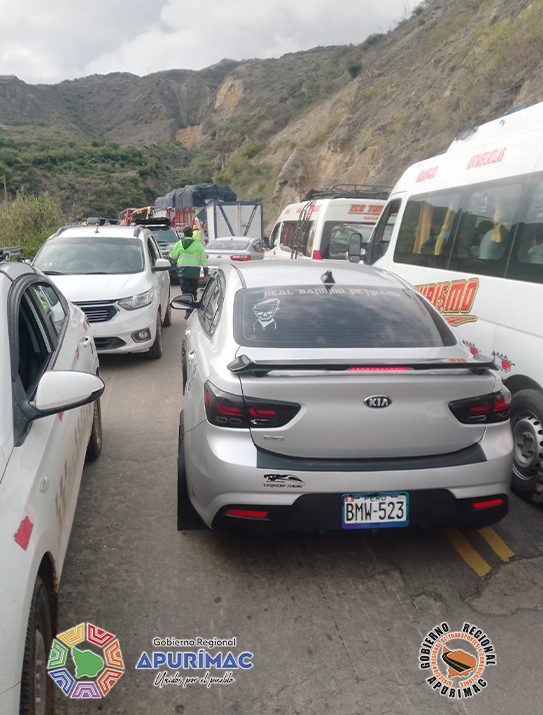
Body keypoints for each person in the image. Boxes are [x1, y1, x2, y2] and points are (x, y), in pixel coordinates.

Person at [170, 227, 208, 317]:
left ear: (184, 234)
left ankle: (188, 311)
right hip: (195, 273)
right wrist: (205, 272)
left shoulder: (179, 244)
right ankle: (193, 310)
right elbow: (204, 259)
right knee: (193, 292)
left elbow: (173, 256)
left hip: (183, 272)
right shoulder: (198, 245)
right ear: (192, 234)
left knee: (185, 293)